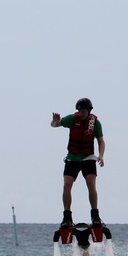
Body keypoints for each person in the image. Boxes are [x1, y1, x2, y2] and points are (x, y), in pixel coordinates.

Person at [50, 97, 105, 228]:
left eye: (83, 111)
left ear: (89, 111)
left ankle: (95, 216)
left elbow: (101, 141)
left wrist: (101, 155)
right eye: (79, 111)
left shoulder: (95, 123)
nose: (81, 113)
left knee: (91, 183)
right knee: (66, 185)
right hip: (72, 158)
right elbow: (54, 125)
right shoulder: (72, 119)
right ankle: (67, 217)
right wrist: (55, 120)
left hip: (88, 157)